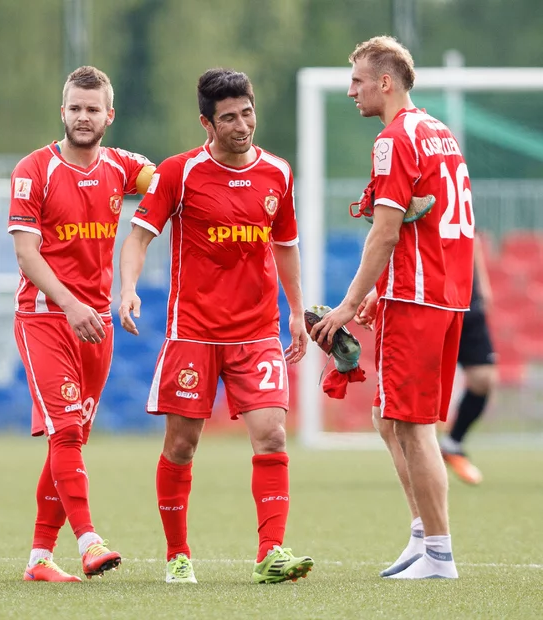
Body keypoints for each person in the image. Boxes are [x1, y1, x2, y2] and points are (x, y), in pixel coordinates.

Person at [118, 68, 314, 585]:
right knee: (181, 447)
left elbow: (286, 246)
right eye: (228, 117)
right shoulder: (179, 173)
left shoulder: (278, 172)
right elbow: (138, 238)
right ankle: (177, 555)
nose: (242, 125)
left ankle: (270, 553)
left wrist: (296, 311)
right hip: (194, 334)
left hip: (256, 334)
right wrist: (129, 287)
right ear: (207, 123)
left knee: (271, 436)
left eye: (247, 112)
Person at [310, 36, 475, 580]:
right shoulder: (439, 131)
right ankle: (422, 535)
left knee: (413, 424)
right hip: (444, 289)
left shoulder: (393, 138)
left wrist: (347, 305)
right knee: (389, 416)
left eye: (358, 80)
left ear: (386, 82)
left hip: (421, 295)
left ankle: (439, 557)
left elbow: (384, 233)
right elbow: (425, 220)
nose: (351, 90)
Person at [8, 66, 155, 582]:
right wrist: (71, 304)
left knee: (66, 441)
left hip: (96, 326)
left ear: (109, 116)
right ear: (62, 111)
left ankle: (39, 559)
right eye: (75, 108)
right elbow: (28, 255)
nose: (83, 117)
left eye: (93, 109)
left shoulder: (122, 166)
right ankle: (90, 542)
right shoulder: (33, 170)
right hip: (46, 318)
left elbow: (172, 186)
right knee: (67, 430)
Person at [440, 235, 497, 484]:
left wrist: (482, 283)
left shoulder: (459, 195)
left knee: (483, 379)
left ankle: (452, 444)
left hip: (468, 300)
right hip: (432, 298)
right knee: (422, 381)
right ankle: (417, 453)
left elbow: (468, 235)